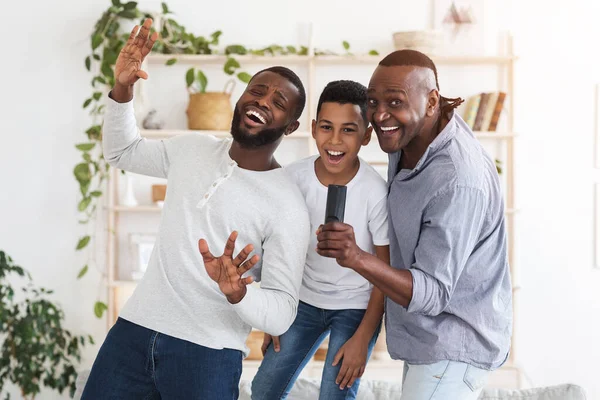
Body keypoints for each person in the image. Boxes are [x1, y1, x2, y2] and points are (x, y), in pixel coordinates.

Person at [81, 18, 311, 399]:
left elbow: (283, 311)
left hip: (207, 353)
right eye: (257, 91)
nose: (262, 101)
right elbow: (121, 151)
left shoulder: (287, 206)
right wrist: (123, 87)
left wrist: (238, 293)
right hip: (133, 331)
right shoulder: (192, 149)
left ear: (290, 127)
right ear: (240, 99)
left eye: (278, 103)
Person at [315, 49, 513, 400]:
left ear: (432, 100)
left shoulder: (457, 178)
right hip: (426, 343)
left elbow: (433, 292)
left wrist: (356, 257)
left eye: (394, 102)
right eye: (373, 102)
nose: (379, 115)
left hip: (453, 347)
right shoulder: (409, 137)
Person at [251, 80, 389, 400]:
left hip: (355, 307)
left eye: (349, 130)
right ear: (313, 129)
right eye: (327, 127)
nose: (335, 140)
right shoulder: (291, 179)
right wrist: (275, 313)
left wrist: (363, 337)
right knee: (263, 389)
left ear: (367, 135)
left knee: (335, 393)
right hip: (302, 302)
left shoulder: (375, 193)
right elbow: (276, 251)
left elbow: (385, 272)